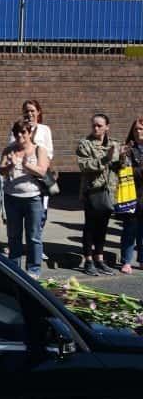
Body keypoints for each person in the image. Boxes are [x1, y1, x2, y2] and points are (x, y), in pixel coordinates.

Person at [0, 119, 50, 278]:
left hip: (33, 198)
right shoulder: (9, 150)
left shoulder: (39, 150)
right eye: (16, 133)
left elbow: (42, 171)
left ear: (30, 133)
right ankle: (15, 269)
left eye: (23, 132)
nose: (20, 135)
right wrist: (10, 166)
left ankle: (33, 270)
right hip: (12, 197)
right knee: (13, 235)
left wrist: (27, 166)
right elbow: (1, 171)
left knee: (33, 236)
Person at [77, 114, 124, 277]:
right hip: (93, 191)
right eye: (94, 125)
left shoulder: (115, 143)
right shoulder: (85, 144)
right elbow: (84, 166)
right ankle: (88, 260)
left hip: (109, 191)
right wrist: (106, 158)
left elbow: (119, 167)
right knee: (90, 226)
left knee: (103, 227)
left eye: (99, 125)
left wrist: (123, 156)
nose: (96, 128)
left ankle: (99, 259)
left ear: (107, 127)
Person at [121, 118, 143, 273]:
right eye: (136, 129)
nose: (138, 132)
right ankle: (126, 261)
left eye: (141, 129)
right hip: (132, 194)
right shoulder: (128, 149)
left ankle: (141, 260)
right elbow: (124, 170)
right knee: (130, 229)